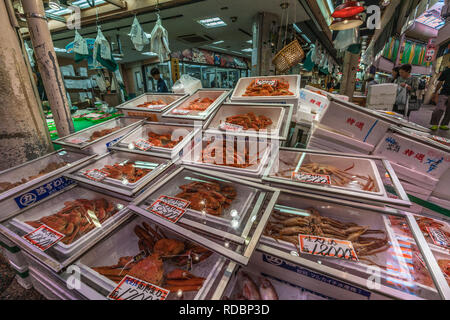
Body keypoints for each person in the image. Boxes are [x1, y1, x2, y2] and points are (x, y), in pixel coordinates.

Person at [430, 66, 450, 131]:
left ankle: (443, 124)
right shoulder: (446, 71)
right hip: (444, 93)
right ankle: (435, 124)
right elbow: (440, 82)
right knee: (439, 109)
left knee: (449, 111)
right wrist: (435, 92)